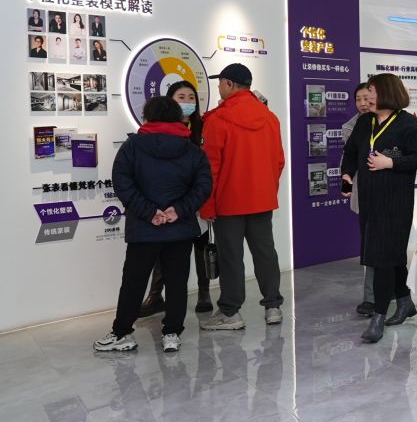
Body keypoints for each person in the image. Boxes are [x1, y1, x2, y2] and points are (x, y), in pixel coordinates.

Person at [93, 97, 212, 353]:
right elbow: (203, 186)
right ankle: (172, 333)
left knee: (134, 281)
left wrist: (149, 212)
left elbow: (122, 182)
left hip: (144, 228)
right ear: (178, 116)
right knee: (177, 281)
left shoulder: (132, 146)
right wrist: (178, 210)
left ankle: (122, 333)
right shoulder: (192, 149)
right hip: (179, 228)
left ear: (147, 117)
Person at [198, 63, 287, 330]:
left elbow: (210, 168)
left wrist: (207, 205)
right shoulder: (269, 117)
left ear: (229, 84)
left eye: (220, 83)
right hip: (261, 200)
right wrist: (267, 190)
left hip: (229, 201)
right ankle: (273, 307)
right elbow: (279, 161)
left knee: (231, 257)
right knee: (265, 253)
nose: (218, 87)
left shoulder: (218, 119)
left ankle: (230, 313)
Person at [340, 74, 417, 342]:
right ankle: (405, 301)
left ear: (388, 93)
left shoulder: (408, 124)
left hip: (395, 203)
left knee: (381, 259)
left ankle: (378, 316)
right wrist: (346, 174)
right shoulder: (365, 121)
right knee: (391, 255)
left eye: (373, 91)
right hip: (369, 200)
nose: (368, 97)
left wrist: (391, 163)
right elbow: (351, 151)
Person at [138, 81, 214, 316]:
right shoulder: (156, 129)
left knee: (201, 246)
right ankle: (155, 295)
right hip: (168, 202)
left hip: (197, 199)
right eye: (181, 97)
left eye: (191, 98)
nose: (187, 102)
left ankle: (204, 292)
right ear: (169, 101)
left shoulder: (204, 128)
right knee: (164, 248)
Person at [344, 82, 378, 316]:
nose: (363, 103)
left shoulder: (394, 122)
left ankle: (383, 293)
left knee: (381, 246)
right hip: (364, 192)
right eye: (359, 99)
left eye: (367, 98)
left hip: (386, 194)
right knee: (371, 244)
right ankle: (373, 296)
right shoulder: (352, 127)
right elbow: (350, 158)